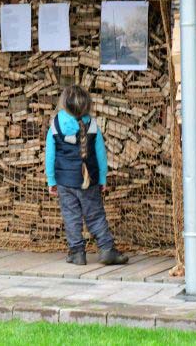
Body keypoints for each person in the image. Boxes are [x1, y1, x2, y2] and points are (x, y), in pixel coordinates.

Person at [45, 85, 128, 266]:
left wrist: (51, 180)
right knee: (95, 215)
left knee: (71, 216)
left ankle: (77, 253)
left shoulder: (56, 124)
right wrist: (103, 178)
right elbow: (101, 155)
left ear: (64, 104)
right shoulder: (92, 124)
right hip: (88, 180)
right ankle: (107, 250)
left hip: (64, 182)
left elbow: (49, 155)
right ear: (87, 105)